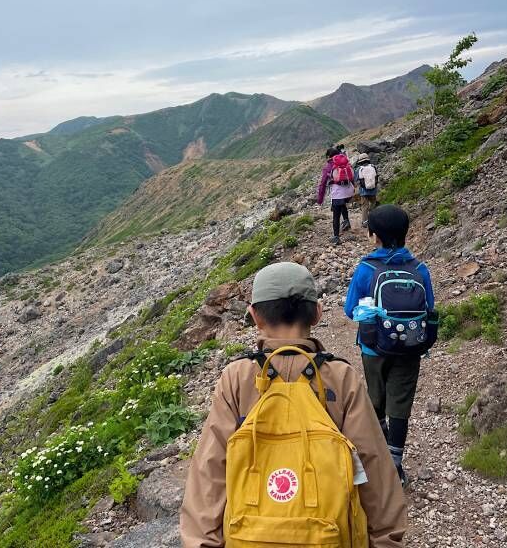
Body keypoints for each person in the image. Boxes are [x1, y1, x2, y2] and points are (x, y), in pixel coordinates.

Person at [181, 262, 407, 548]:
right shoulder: (340, 377)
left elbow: (210, 472)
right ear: (317, 313)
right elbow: (374, 467)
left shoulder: (237, 378)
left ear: (254, 316)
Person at [344, 205, 435, 487]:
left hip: (373, 347)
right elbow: (428, 307)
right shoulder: (420, 269)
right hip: (410, 347)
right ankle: (396, 464)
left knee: (377, 397)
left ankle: (379, 451)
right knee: (401, 404)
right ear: (406, 233)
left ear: (374, 236)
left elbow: (350, 310)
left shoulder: (366, 269)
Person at [317, 147, 355, 245]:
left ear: (328, 156)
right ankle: (346, 221)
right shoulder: (346, 161)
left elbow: (323, 183)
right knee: (343, 205)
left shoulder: (329, 166)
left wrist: (320, 199)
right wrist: (353, 188)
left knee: (336, 214)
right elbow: (352, 175)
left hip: (338, 192)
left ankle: (336, 237)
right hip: (349, 190)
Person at [353, 153, 378, 228]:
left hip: (364, 191)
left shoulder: (359, 169)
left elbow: (355, 179)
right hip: (373, 190)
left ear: (360, 161)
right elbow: (376, 177)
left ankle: (365, 222)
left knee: (364, 206)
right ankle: (374, 220)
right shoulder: (373, 167)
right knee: (373, 204)